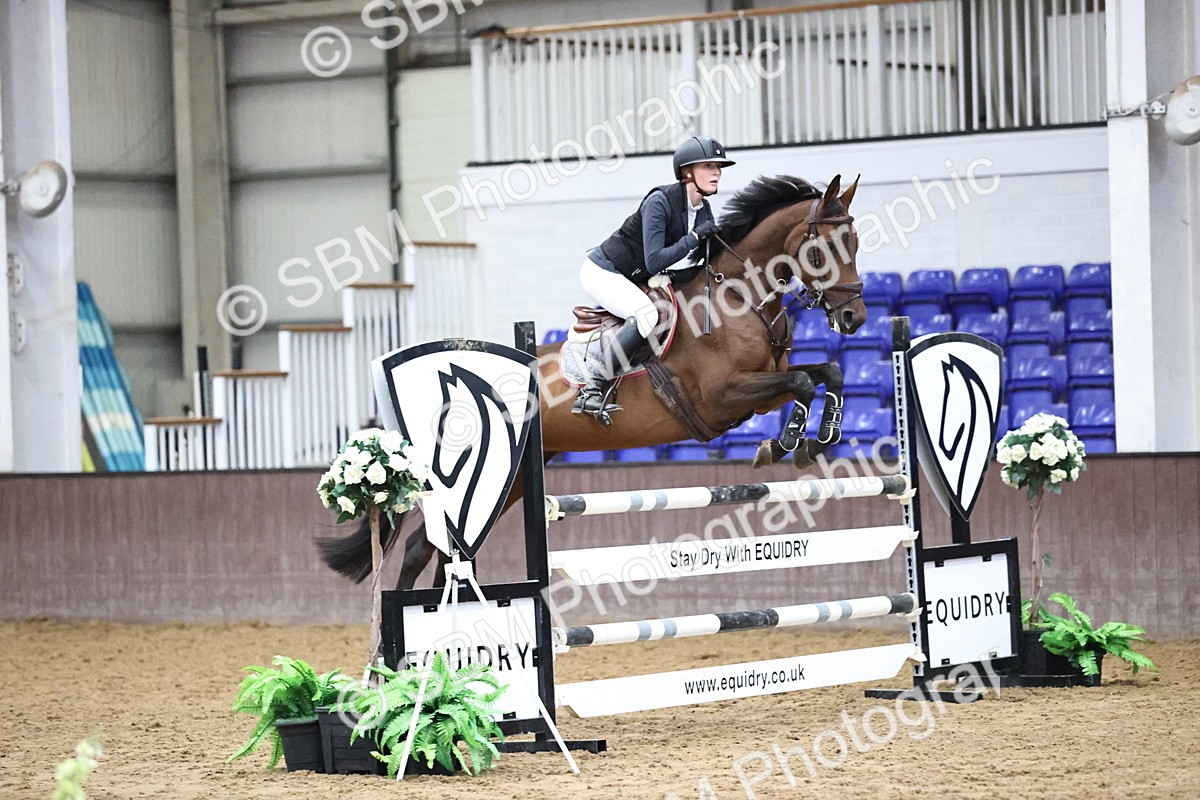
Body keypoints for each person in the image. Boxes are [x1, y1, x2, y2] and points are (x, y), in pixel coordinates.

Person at [573, 135, 736, 419]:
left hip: (638, 275)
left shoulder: (702, 210)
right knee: (646, 315)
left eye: (718, 167)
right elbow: (654, 259)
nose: (716, 172)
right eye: (708, 166)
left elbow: (689, 262)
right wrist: (695, 237)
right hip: (602, 271)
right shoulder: (659, 202)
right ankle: (592, 390)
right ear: (687, 172)